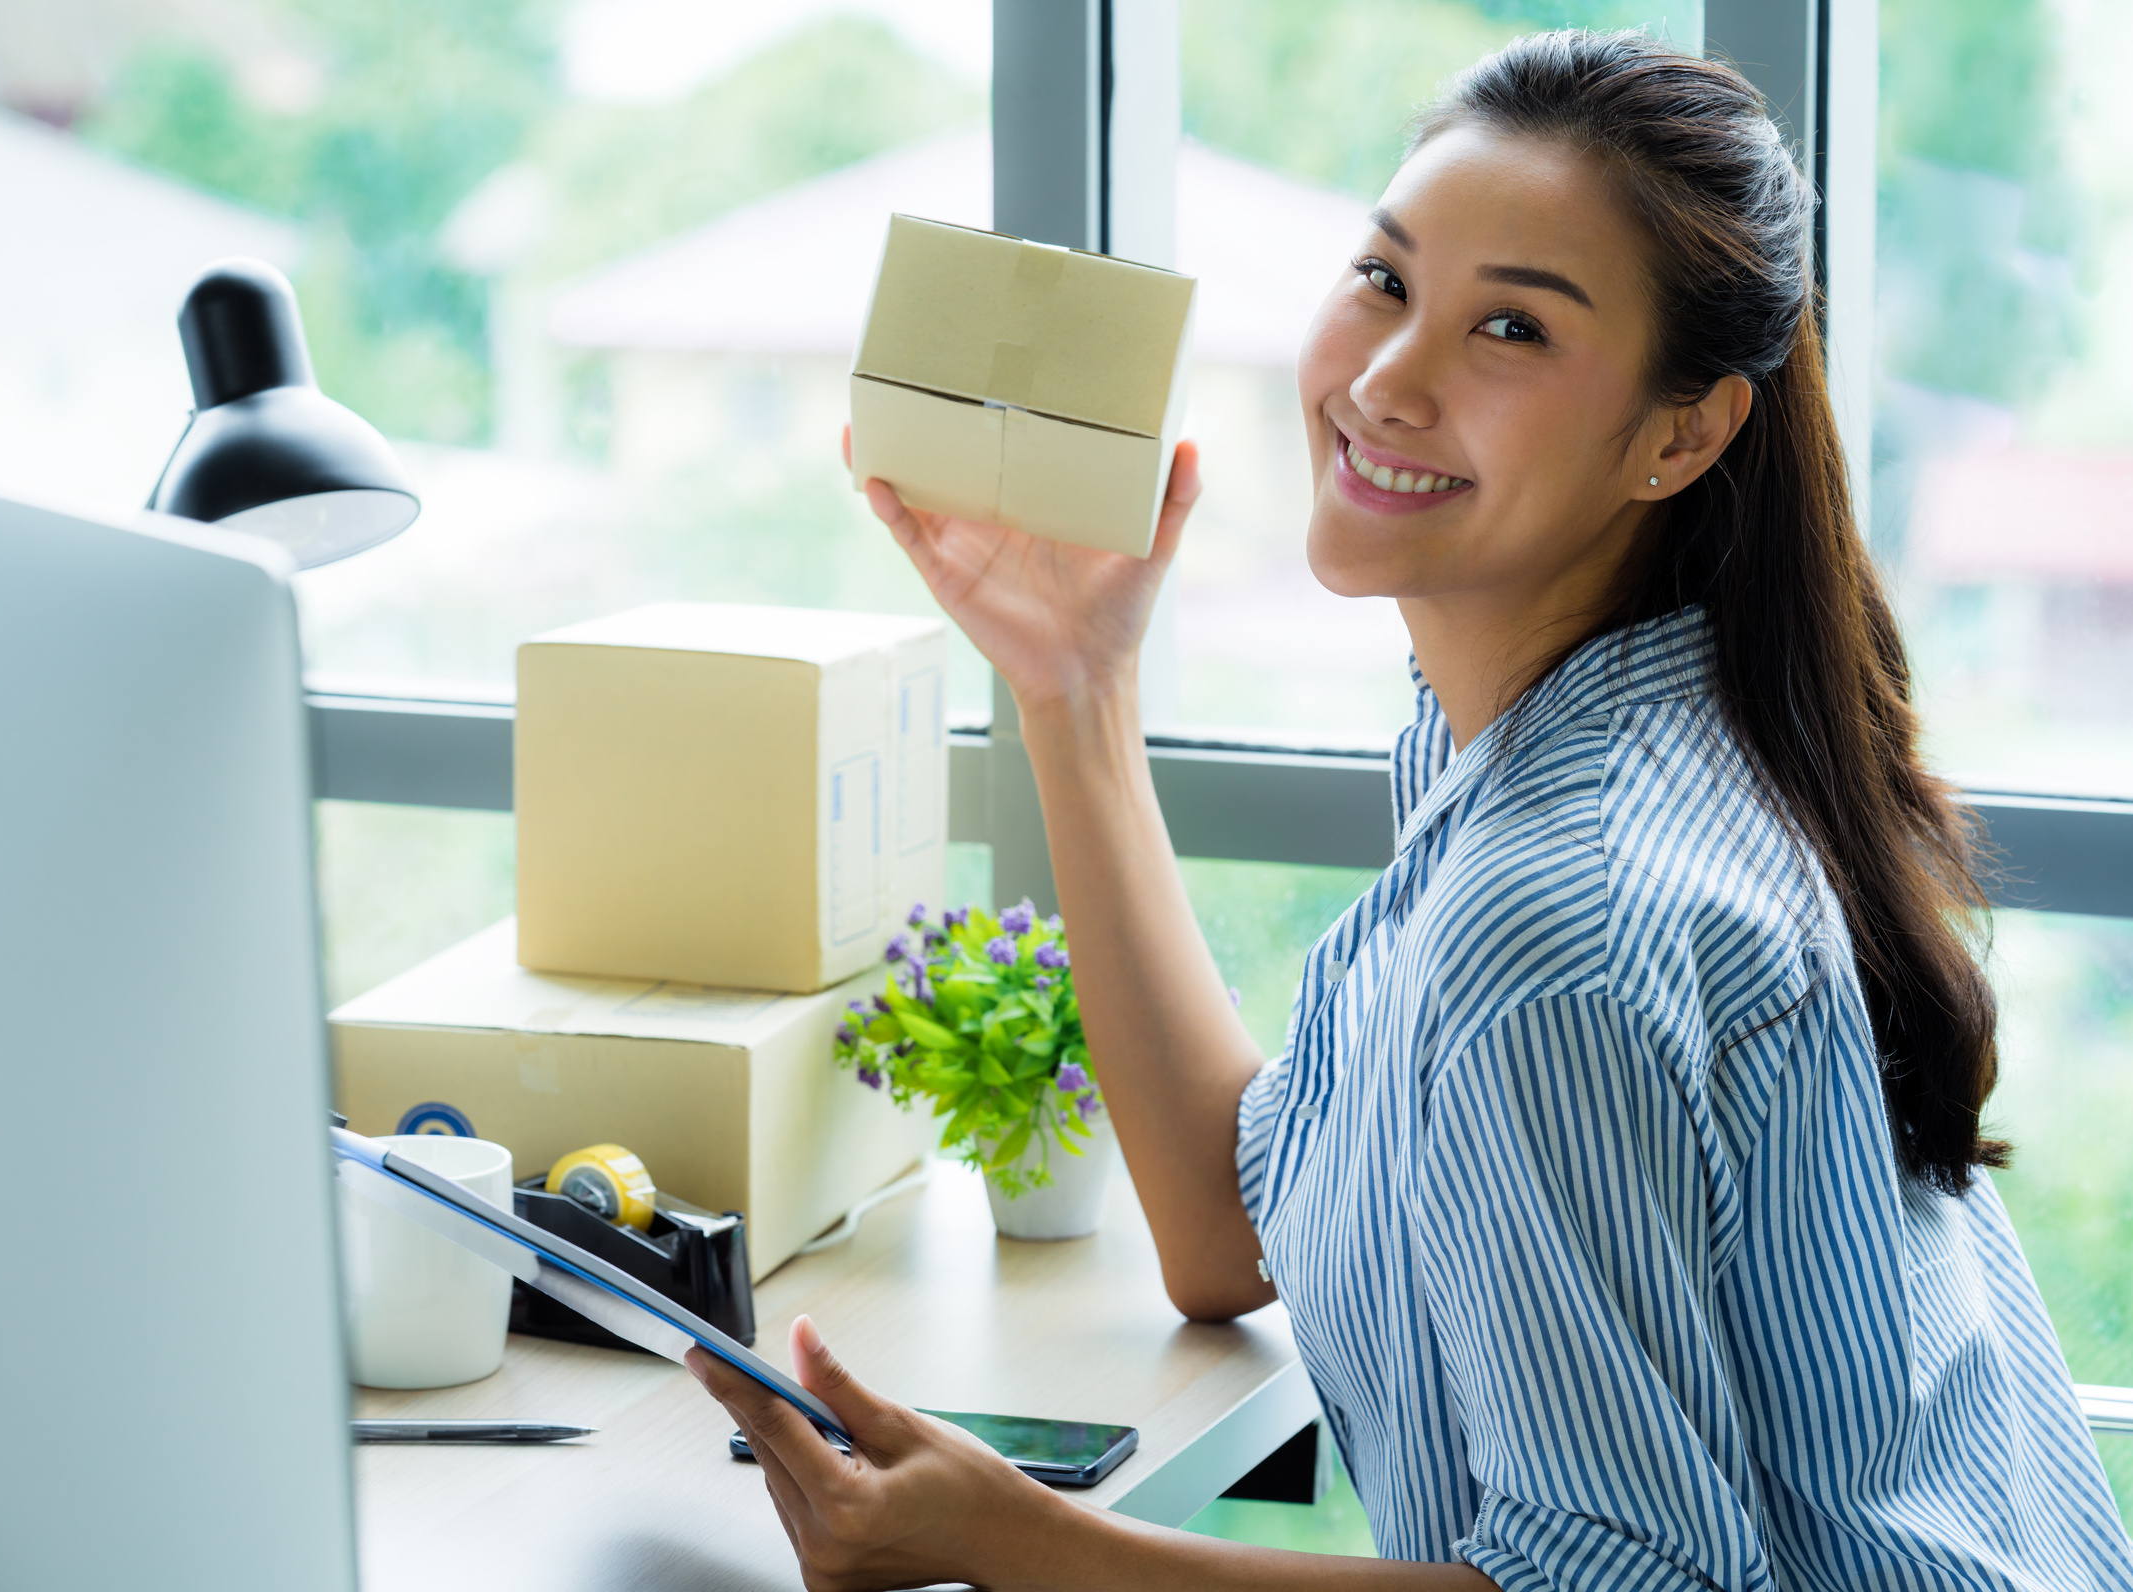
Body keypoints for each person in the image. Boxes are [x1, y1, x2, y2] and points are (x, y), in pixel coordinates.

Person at [687, 29, 2133, 1591]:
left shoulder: (1560, 897)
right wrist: (1073, 691)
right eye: (1383, 279)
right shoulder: (1585, 740)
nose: (1384, 380)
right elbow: (1228, 1237)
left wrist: (1024, 1545)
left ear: (1681, 433)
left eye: (1508, 327)